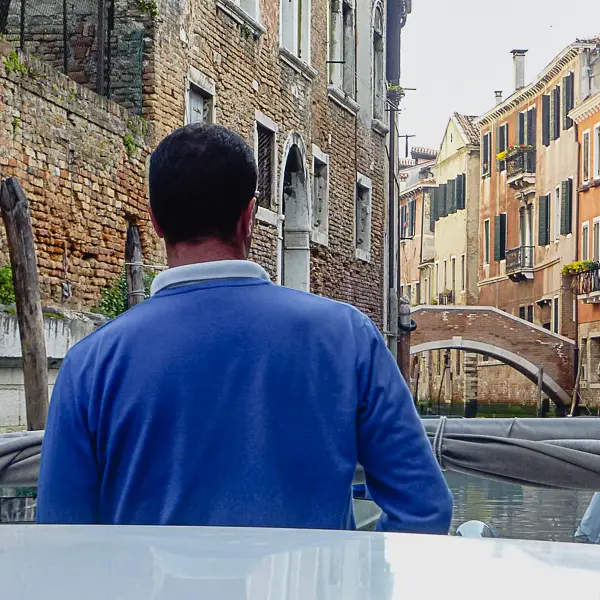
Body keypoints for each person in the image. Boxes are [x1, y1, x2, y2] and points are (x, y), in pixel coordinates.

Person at [37, 124, 453, 532]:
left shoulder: (89, 365)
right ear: (249, 216)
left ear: (156, 222)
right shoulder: (348, 337)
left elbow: (60, 543)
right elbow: (423, 508)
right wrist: (349, 582)